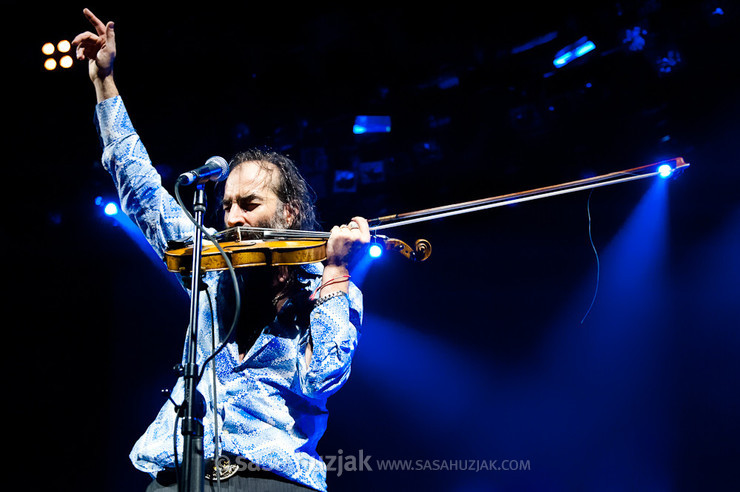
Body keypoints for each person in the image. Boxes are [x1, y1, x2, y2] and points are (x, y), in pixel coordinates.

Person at [73, 8, 370, 491]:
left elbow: (324, 380)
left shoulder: (326, 287)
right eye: (227, 204)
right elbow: (142, 190)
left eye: (249, 204)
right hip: (178, 469)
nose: (232, 217)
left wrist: (338, 273)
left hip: (271, 478)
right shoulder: (211, 266)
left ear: (289, 213)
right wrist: (105, 83)